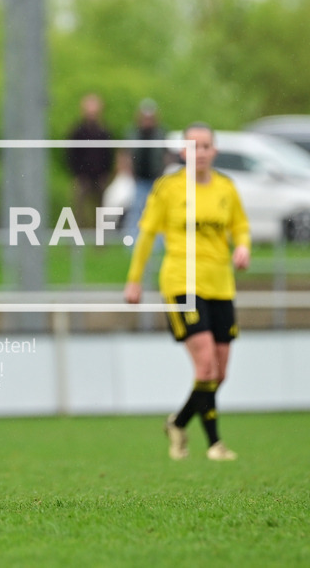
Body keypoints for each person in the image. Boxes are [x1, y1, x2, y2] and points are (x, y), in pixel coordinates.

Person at [124, 122, 249, 462]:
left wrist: (243, 247)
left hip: (220, 284)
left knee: (219, 372)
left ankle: (178, 423)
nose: (200, 153)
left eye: (205, 146)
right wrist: (134, 280)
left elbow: (240, 226)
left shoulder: (226, 188)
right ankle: (215, 444)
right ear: (182, 152)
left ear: (214, 150)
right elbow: (147, 234)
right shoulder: (168, 188)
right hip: (182, 283)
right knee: (206, 365)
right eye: (193, 146)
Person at [66, 93, 114, 229]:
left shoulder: (104, 131)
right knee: (78, 208)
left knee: (102, 208)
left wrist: (105, 173)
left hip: (100, 177)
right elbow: (71, 155)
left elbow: (108, 155)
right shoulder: (77, 131)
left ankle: (99, 236)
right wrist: (78, 173)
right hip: (82, 177)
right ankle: (78, 234)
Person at [123, 98, 167, 240]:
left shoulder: (160, 134)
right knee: (136, 210)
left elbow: (165, 156)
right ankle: (133, 239)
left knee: (156, 210)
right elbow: (126, 154)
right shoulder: (134, 133)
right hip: (139, 179)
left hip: (155, 179)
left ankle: (157, 242)